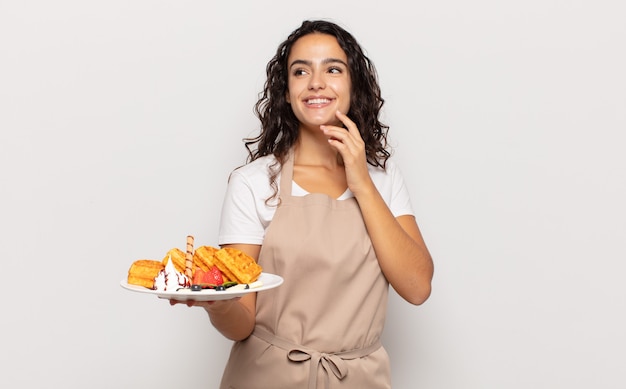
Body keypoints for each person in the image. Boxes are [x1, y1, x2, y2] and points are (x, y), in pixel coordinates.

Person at [173, 19, 434, 388]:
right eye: (300, 71)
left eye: (333, 69)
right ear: (285, 91)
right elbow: (242, 322)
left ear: (352, 84)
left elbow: (417, 286)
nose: (316, 82)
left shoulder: (384, 179)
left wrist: (361, 181)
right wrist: (220, 305)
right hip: (267, 377)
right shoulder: (253, 183)